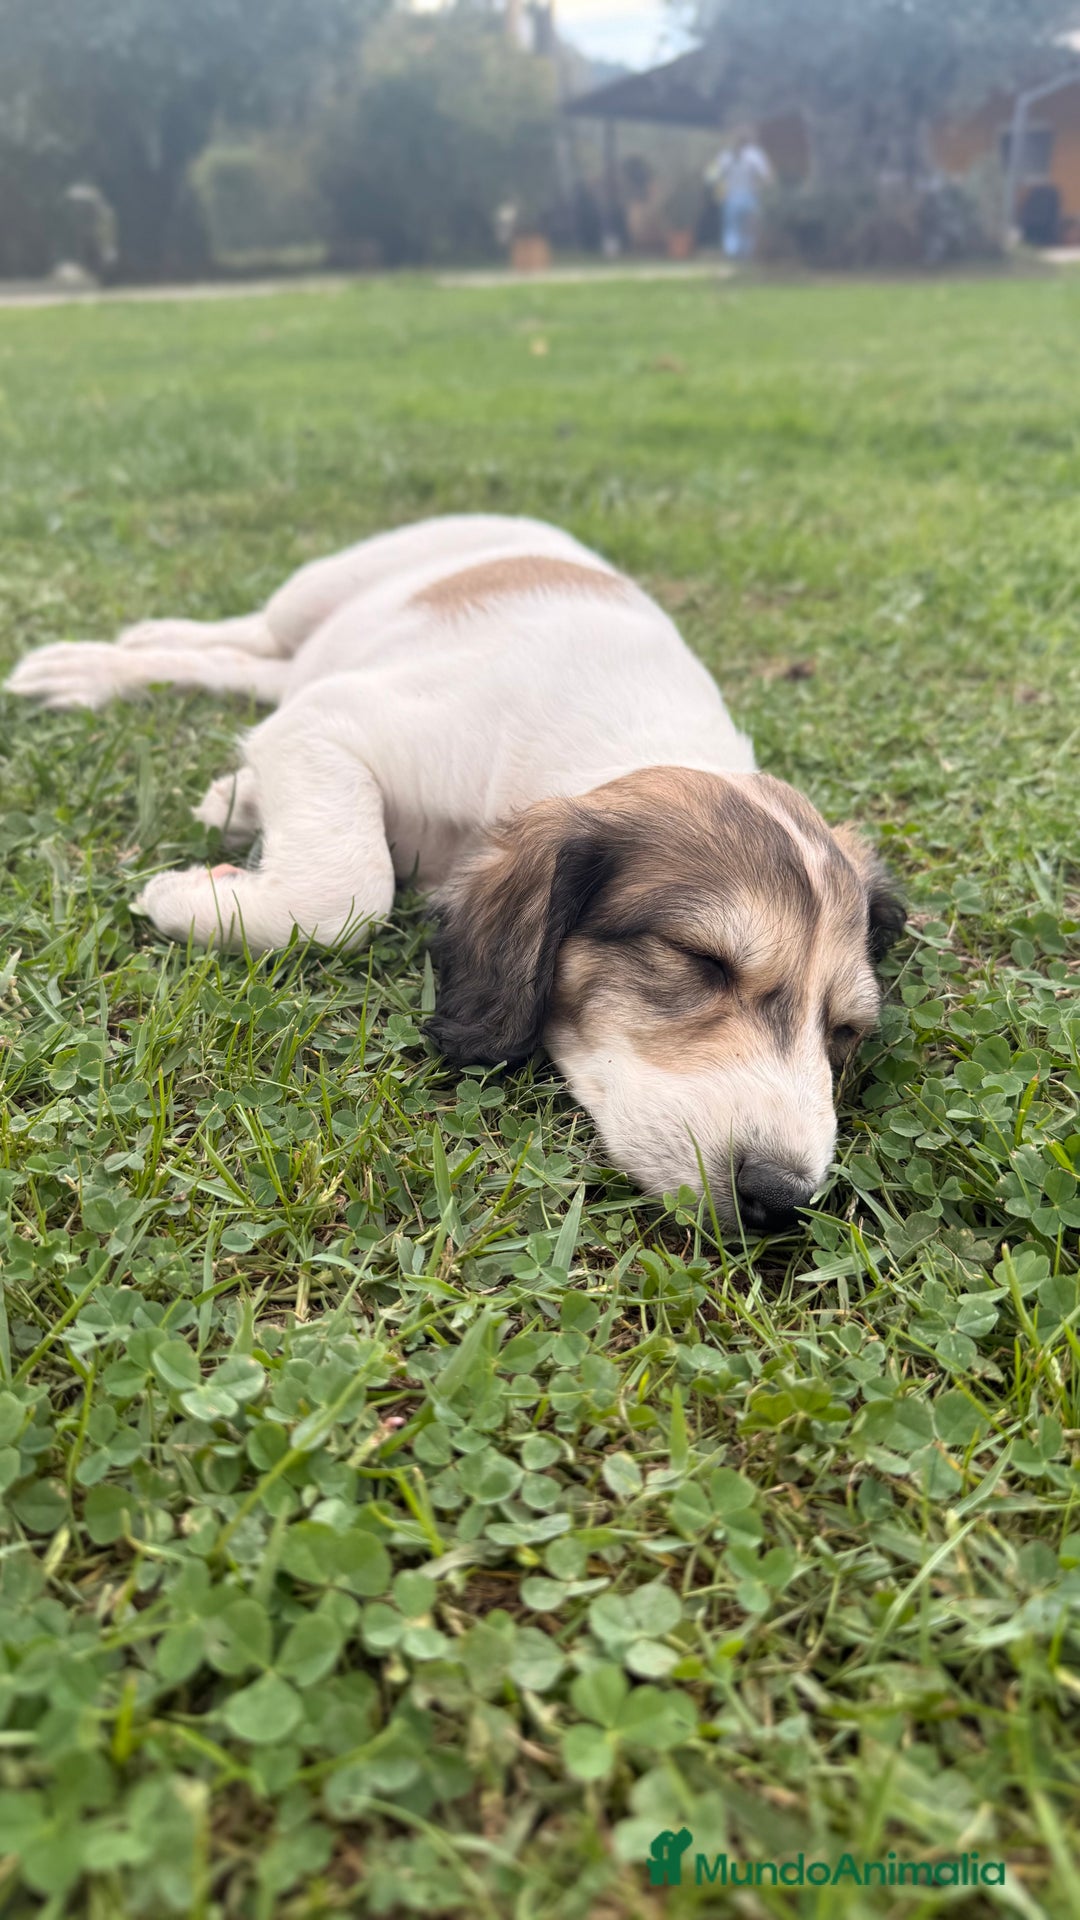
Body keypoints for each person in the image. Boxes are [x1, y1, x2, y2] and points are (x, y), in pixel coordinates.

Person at [706, 129, 773, 261]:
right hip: (749, 196)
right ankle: (745, 254)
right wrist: (762, 187)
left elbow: (710, 176)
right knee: (747, 227)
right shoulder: (755, 156)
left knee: (733, 227)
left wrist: (719, 184)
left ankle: (733, 253)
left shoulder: (725, 156)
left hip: (733, 197)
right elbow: (767, 177)